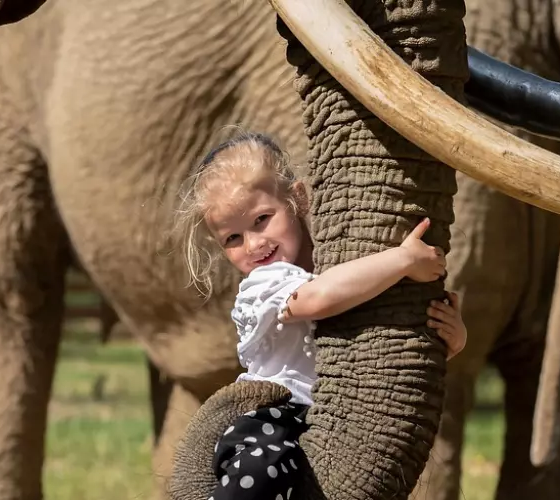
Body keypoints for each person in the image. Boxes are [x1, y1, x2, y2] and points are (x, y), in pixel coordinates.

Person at [176, 131, 467, 500]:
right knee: (257, 470)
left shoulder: (335, 271)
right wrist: (402, 260)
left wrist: (452, 341)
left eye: (262, 219)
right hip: (274, 416)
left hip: (338, 417)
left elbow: (388, 357)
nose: (253, 244)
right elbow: (317, 300)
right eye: (232, 239)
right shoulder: (264, 285)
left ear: (297, 199)